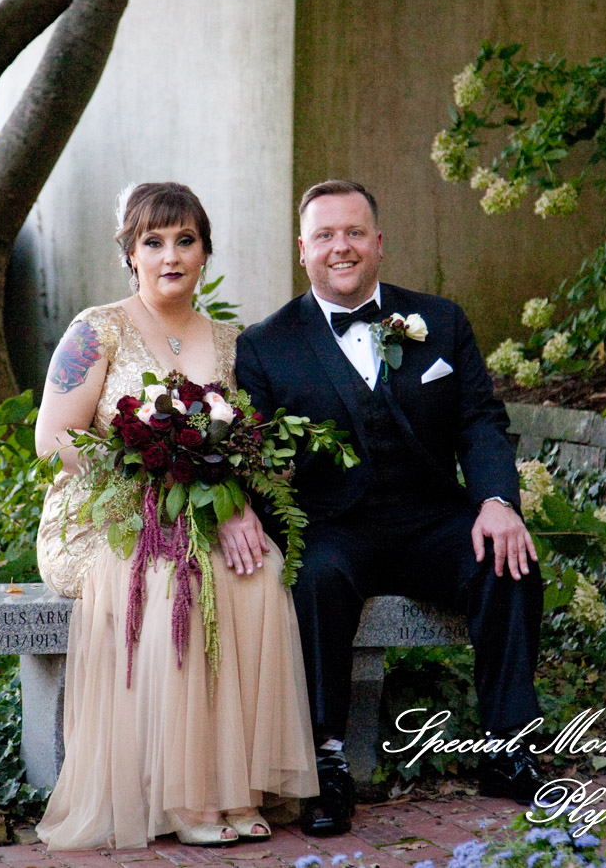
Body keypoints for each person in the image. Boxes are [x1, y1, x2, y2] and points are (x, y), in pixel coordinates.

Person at [231, 179, 546, 835]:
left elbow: (480, 422)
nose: (339, 246)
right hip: (334, 526)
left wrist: (495, 500)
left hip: (432, 518)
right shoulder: (265, 343)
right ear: (303, 249)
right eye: (324, 235)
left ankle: (509, 747)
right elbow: (254, 456)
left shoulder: (444, 319)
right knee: (314, 577)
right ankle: (326, 765)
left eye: (353, 233)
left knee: (508, 560)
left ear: (378, 243)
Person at [34, 182, 318, 850]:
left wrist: (237, 499)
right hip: (108, 517)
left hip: (200, 506)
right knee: (176, 580)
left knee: (263, 570)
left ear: (205, 251)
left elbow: (247, 444)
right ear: (130, 253)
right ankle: (185, 795)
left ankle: (236, 788)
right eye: (153, 241)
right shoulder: (96, 328)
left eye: (185, 239)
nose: (170, 254)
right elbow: (54, 439)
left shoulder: (229, 340)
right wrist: (153, 473)